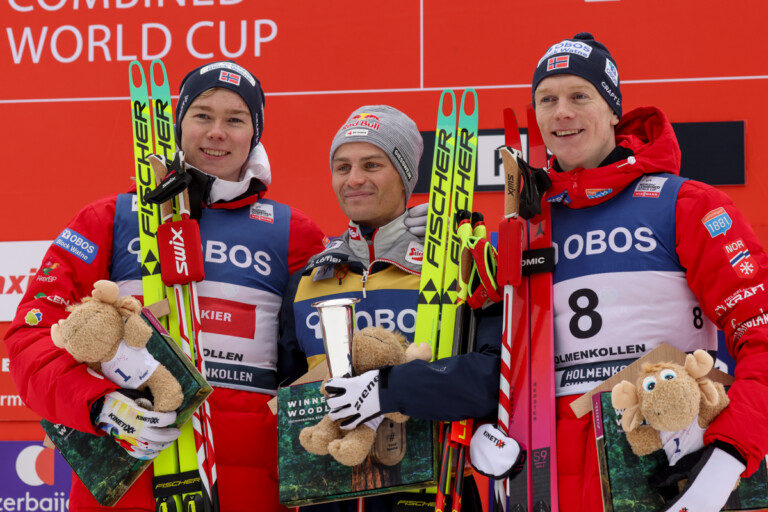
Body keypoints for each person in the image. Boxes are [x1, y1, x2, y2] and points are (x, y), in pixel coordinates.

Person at [4, 60, 326, 511]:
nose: (217, 132)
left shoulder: (295, 233)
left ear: (255, 134)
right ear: (178, 123)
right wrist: (99, 406)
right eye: (202, 115)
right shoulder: (110, 218)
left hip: (248, 481)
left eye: (235, 120)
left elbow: (322, 360)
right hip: (127, 474)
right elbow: (32, 334)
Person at [530, 32, 768, 512]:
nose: (562, 113)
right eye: (547, 99)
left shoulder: (685, 203)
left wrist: (729, 456)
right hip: (555, 485)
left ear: (613, 110)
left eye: (580, 96)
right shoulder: (528, 227)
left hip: (674, 470)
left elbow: (760, 335)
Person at [278, 105, 503, 512]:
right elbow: (287, 399)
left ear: (404, 176)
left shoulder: (457, 267)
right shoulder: (307, 280)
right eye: (342, 167)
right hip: (331, 495)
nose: (354, 179)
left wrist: (390, 389)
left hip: (430, 493)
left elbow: (491, 379)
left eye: (372, 164)